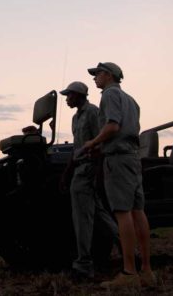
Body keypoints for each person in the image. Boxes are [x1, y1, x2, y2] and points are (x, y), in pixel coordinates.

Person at [82, 62, 156, 288]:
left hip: (118, 159)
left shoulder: (109, 95)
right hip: (132, 157)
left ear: (108, 75)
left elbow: (113, 127)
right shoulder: (131, 100)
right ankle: (146, 271)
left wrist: (92, 142)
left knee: (122, 213)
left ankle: (129, 273)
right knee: (137, 211)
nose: (95, 79)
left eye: (97, 74)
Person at [59, 80, 118, 281]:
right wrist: (67, 172)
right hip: (81, 169)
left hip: (88, 171)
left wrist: (99, 172)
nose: (67, 99)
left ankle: (83, 265)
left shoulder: (92, 112)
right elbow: (78, 148)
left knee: (82, 218)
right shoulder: (76, 118)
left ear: (79, 95)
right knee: (100, 215)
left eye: (69, 95)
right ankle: (129, 251)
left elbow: (102, 142)